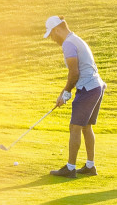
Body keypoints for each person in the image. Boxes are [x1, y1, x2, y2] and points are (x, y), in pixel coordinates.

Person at [43, 15, 106, 179]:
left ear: (57, 30)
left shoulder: (68, 44)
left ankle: (70, 168)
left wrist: (65, 93)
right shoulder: (75, 39)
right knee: (86, 127)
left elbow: (74, 72)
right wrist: (67, 92)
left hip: (87, 88)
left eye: (51, 35)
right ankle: (90, 166)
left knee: (75, 127)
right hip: (96, 85)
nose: (52, 39)